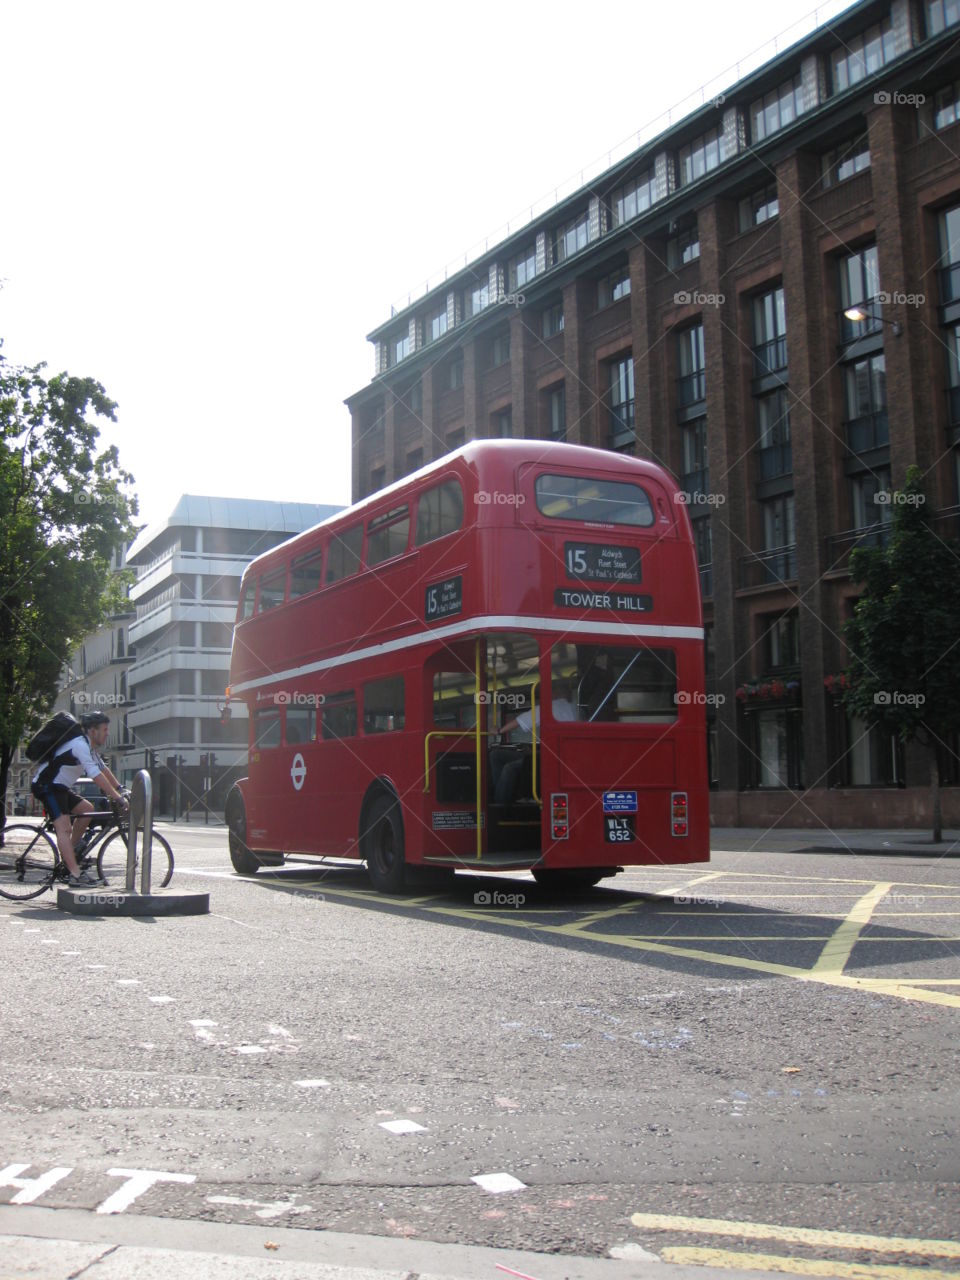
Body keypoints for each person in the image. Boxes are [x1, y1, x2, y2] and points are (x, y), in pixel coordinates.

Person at [30, 711, 128, 887]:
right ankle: (75, 874)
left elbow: (103, 769)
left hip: (59, 787)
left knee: (87, 809)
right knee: (64, 829)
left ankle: (70, 855)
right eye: (104, 729)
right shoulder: (79, 745)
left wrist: (120, 788)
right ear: (92, 730)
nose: (107, 733)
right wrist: (117, 797)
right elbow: (95, 775)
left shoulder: (89, 748)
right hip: (47, 786)